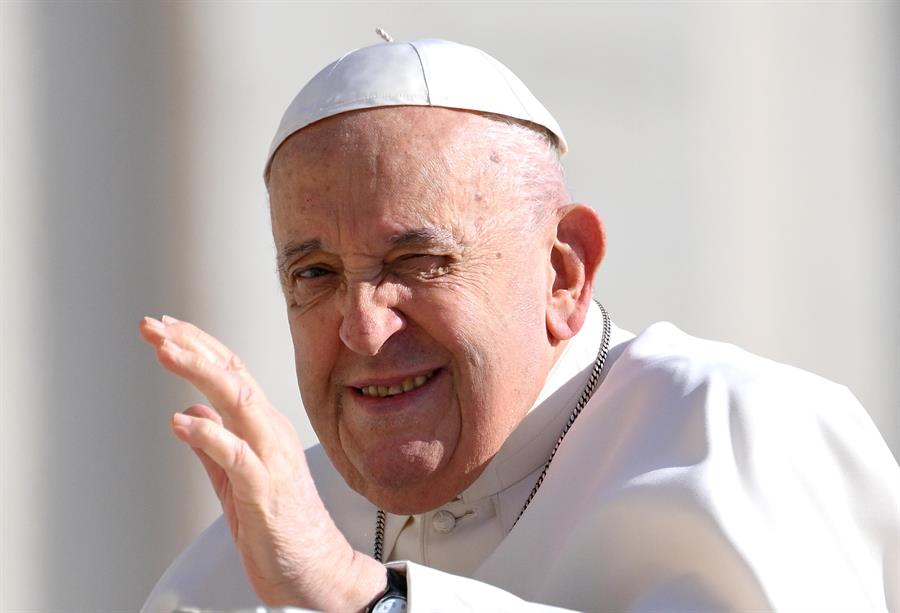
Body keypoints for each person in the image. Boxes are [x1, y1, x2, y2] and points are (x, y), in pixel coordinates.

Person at [139, 38, 899, 612]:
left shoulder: (739, 435)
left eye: (419, 260)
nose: (363, 330)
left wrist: (363, 597)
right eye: (316, 275)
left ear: (564, 271)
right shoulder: (243, 553)